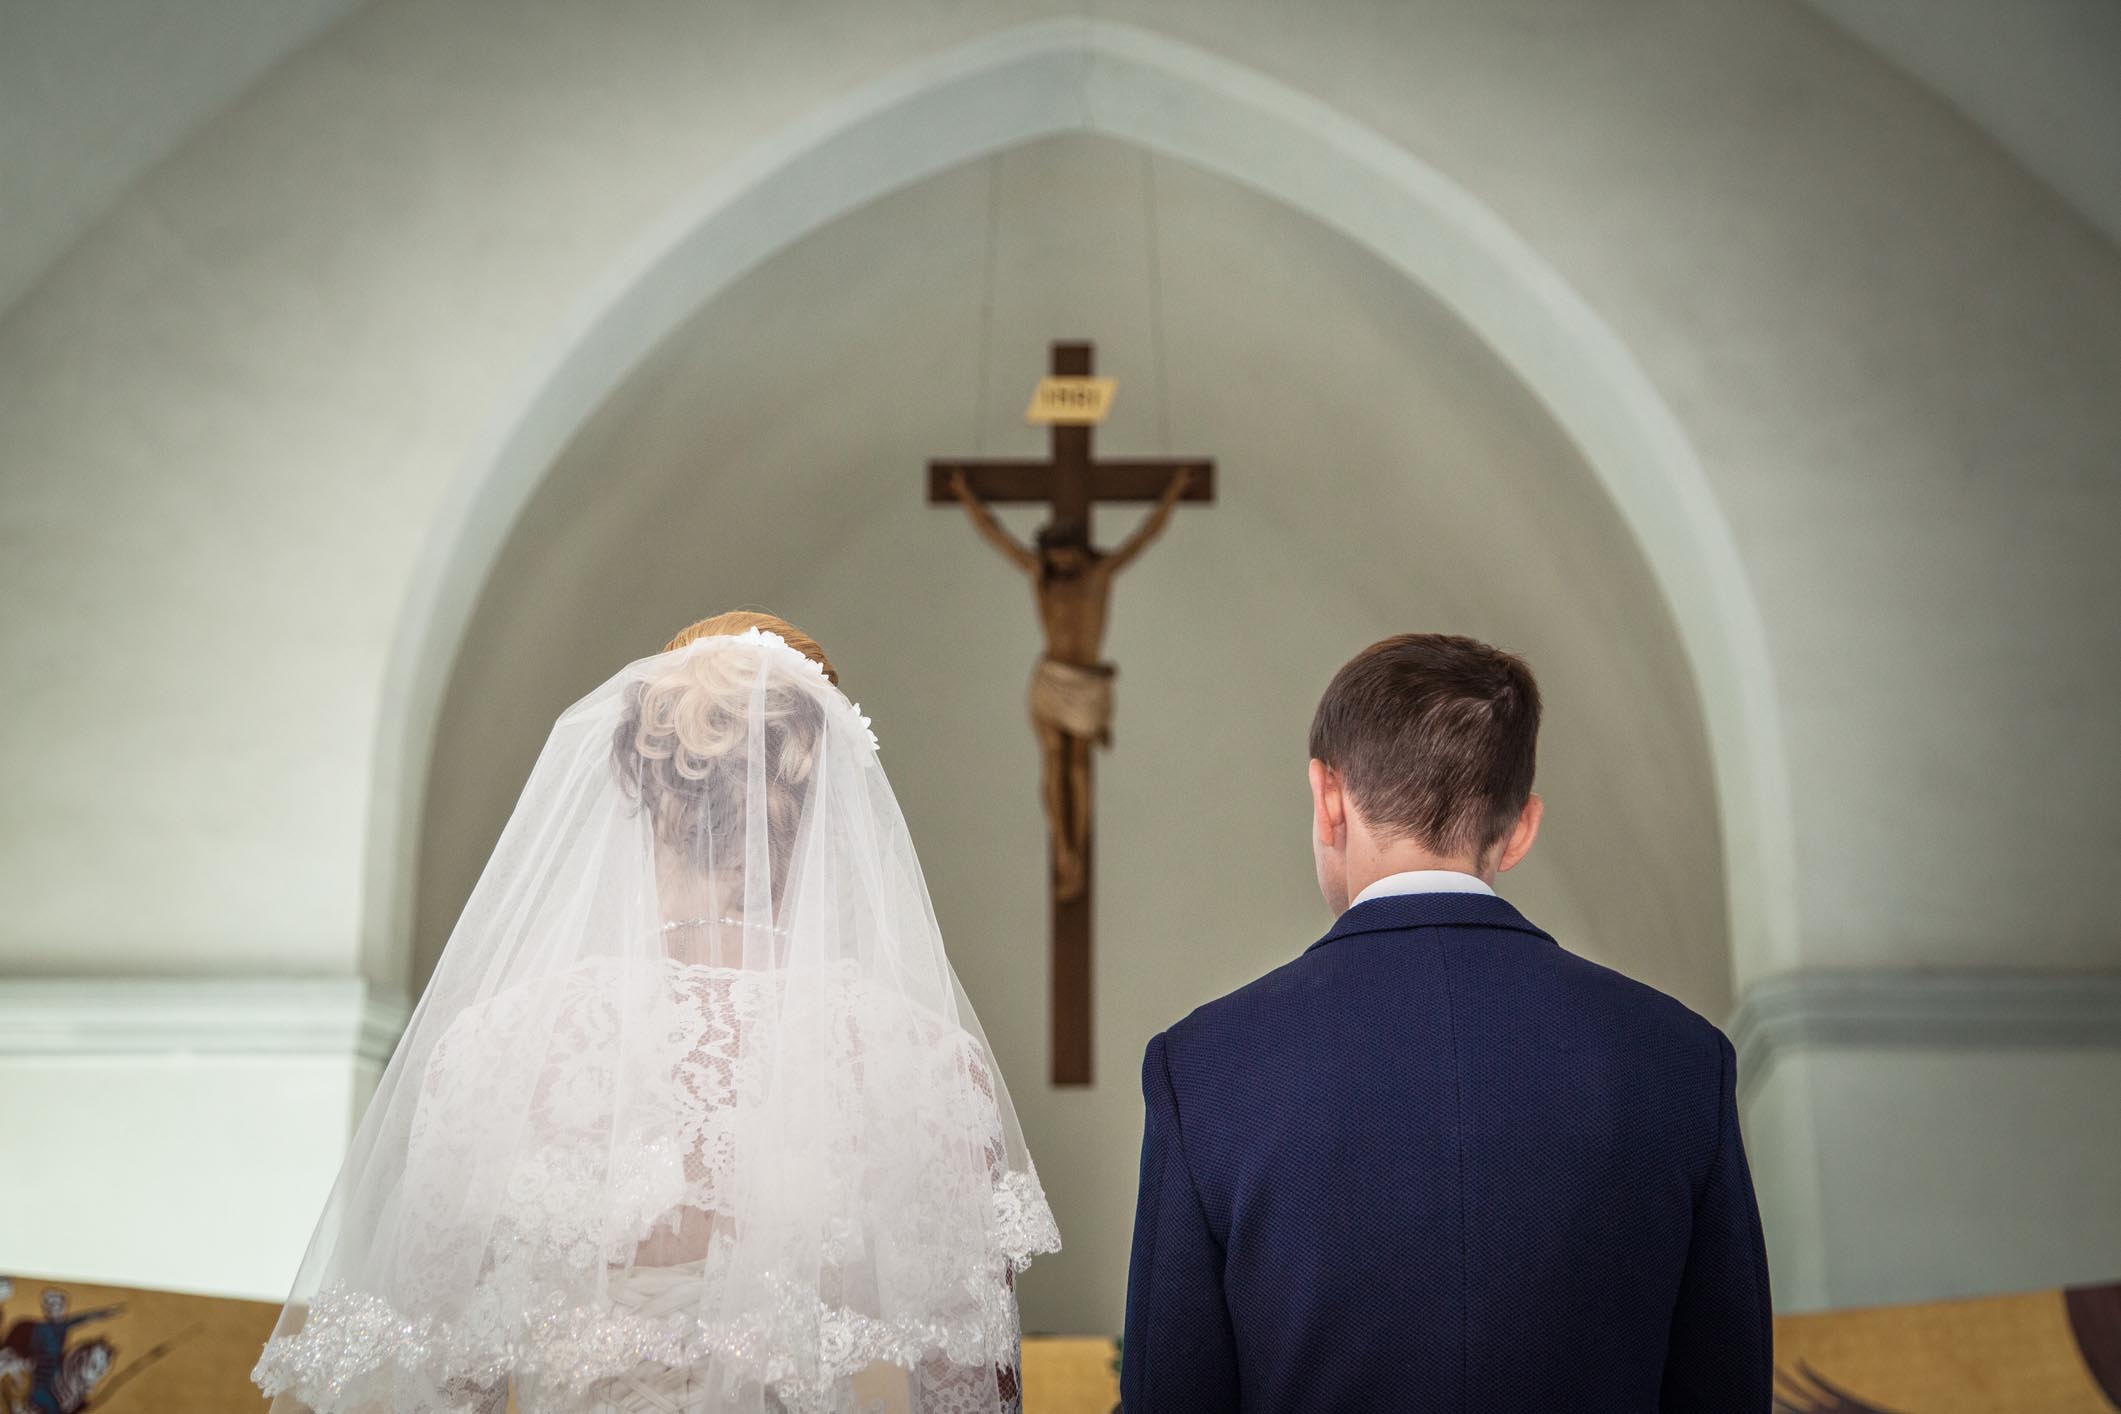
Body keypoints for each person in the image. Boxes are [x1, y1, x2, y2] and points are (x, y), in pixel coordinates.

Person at [255, 612, 1059, 1414]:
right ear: (823, 809)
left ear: (636, 790)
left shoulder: (495, 1048)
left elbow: (431, 1387)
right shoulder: (921, 1061)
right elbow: (972, 1397)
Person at [1120, 633, 1771, 1412]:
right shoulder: (1681, 1060)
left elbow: (1172, 1398)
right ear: (1521, 826)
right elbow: (1724, 1394)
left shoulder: (1204, 1068)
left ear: (1327, 798)